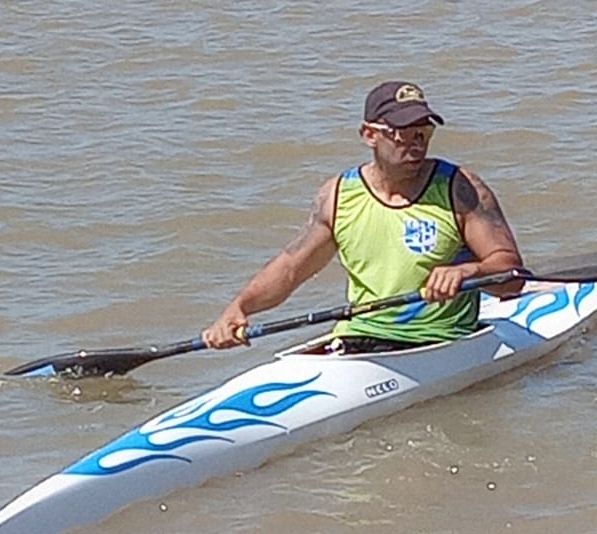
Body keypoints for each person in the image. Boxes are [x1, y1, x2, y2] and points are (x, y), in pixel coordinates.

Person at [202, 81, 525, 354]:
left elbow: (512, 277)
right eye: (402, 134)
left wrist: (470, 271)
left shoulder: (460, 189)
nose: (416, 145)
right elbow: (290, 268)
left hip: (440, 343)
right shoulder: (339, 194)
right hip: (359, 336)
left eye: (423, 133)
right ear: (369, 135)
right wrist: (239, 308)